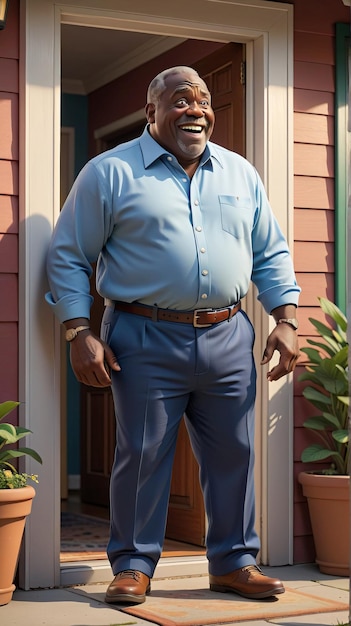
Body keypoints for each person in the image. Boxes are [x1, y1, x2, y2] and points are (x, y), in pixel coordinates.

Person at [46, 66, 300, 605]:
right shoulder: (108, 173)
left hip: (229, 334)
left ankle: (234, 562)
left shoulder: (240, 174)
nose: (195, 109)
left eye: (203, 100)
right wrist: (77, 331)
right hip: (142, 335)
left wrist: (286, 318)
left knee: (234, 453)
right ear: (151, 112)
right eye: (180, 100)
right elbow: (68, 254)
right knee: (142, 453)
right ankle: (134, 565)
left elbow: (270, 252)